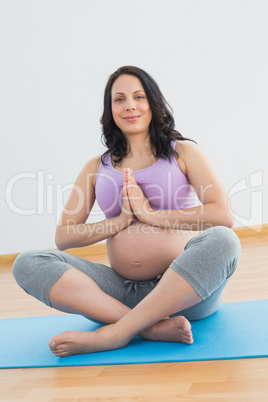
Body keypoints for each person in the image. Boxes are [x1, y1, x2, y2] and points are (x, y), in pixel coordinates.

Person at [12, 66, 241, 357]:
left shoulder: (183, 153)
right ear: (110, 110)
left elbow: (223, 215)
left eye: (138, 96)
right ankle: (148, 327)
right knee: (27, 263)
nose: (129, 105)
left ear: (153, 103)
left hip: (183, 295)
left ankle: (116, 333)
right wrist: (120, 221)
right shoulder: (96, 167)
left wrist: (151, 214)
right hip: (119, 292)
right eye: (119, 99)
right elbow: (64, 237)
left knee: (225, 240)